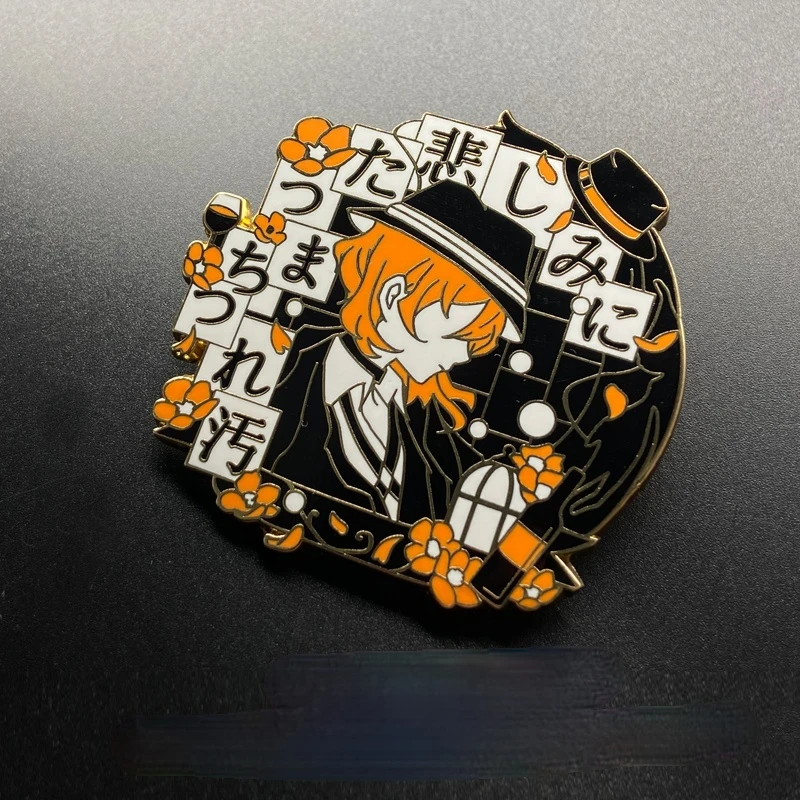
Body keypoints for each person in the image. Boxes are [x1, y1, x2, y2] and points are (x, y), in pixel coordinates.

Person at [263, 180, 534, 527]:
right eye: (458, 335)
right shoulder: (278, 369)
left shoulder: (429, 424)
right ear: (393, 296)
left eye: (475, 342)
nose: (465, 356)